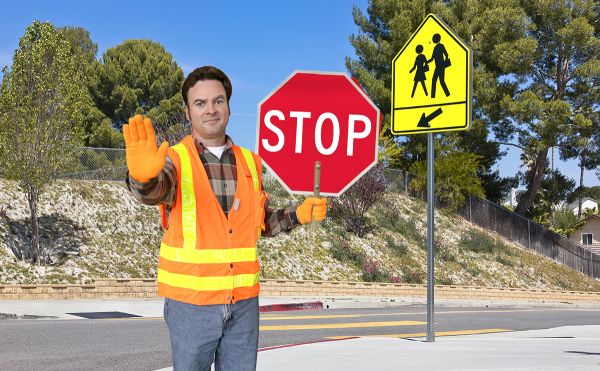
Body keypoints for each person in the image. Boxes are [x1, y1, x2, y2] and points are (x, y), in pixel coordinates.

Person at [123, 66, 327, 371]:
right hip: (191, 306)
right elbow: (154, 191)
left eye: (218, 101)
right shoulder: (175, 160)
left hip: (243, 304)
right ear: (188, 112)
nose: (210, 110)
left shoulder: (250, 161)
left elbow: (258, 222)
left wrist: (297, 214)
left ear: (229, 107)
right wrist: (142, 178)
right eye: (200, 103)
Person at [427, 33, 451, 98]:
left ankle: (448, 95)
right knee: (435, 80)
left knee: (441, 81)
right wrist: (426, 62)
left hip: (440, 66)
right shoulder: (435, 48)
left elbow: (446, 54)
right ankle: (433, 97)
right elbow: (432, 59)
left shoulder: (441, 46)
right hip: (438, 67)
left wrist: (444, 63)